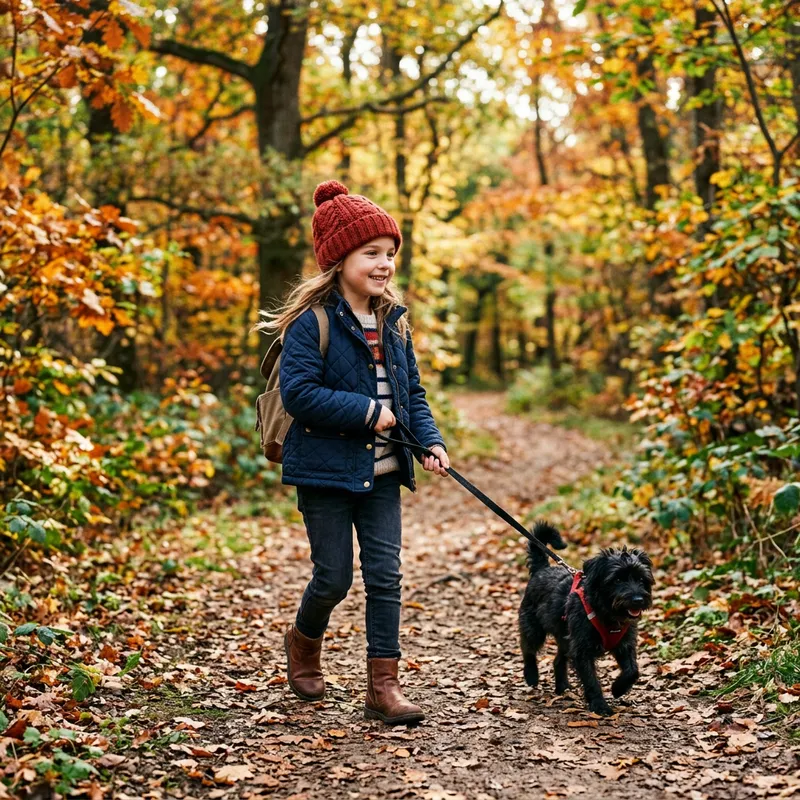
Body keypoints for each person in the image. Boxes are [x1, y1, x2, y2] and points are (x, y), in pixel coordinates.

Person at [254, 179, 450, 726]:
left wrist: (429, 440)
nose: (384, 264)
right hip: (326, 472)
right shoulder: (311, 323)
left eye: (390, 254)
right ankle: (303, 639)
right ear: (339, 258)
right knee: (335, 577)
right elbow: (300, 394)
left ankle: (383, 687)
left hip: (385, 471)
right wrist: (366, 411)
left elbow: (411, 394)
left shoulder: (395, 323)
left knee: (386, 576)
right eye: (372, 254)